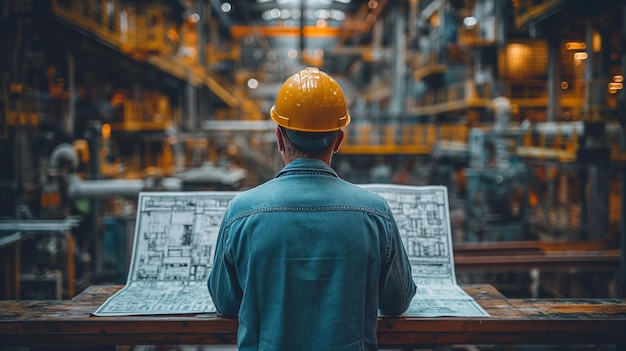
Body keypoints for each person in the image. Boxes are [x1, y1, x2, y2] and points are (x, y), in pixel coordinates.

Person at [208, 67, 416, 350]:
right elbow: (397, 302)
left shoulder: (241, 213)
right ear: (339, 140)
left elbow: (225, 303)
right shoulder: (375, 213)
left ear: (279, 138)